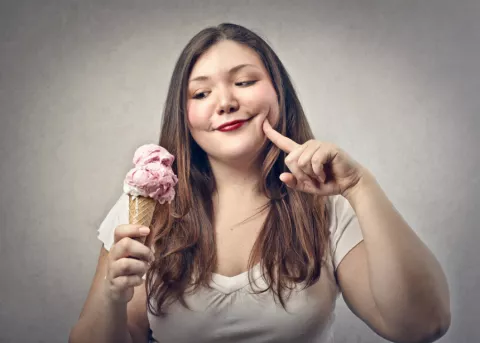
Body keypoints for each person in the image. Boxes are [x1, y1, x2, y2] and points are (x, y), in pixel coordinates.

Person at [69, 23, 451, 343]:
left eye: (245, 81)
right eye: (201, 93)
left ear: (278, 93)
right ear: (184, 116)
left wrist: (360, 186)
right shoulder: (150, 209)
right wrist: (113, 295)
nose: (225, 102)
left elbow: (421, 325)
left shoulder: (328, 208)